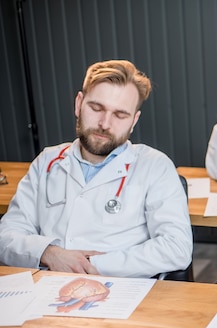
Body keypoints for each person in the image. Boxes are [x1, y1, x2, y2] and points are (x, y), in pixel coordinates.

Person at [0, 60, 193, 278]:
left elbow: (177, 248)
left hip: (123, 293)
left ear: (134, 121)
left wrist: (90, 264)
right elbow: (6, 235)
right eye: (96, 108)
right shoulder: (48, 161)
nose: (105, 123)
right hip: (47, 288)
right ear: (78, 104)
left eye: (120, 115)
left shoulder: (154, 166)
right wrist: (49, 253)